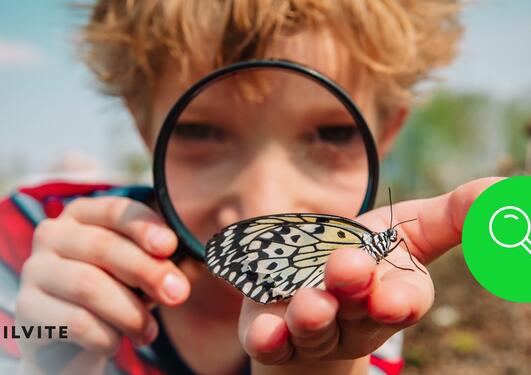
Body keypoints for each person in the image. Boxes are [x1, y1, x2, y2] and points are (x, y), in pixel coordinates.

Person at [0, 1, 499, 374]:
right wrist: (44, 354)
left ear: (386, 133)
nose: (264, 202)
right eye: (201, 131)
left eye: (331, 134)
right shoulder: (25, 239)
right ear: (144, 126)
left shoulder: (362, 308)